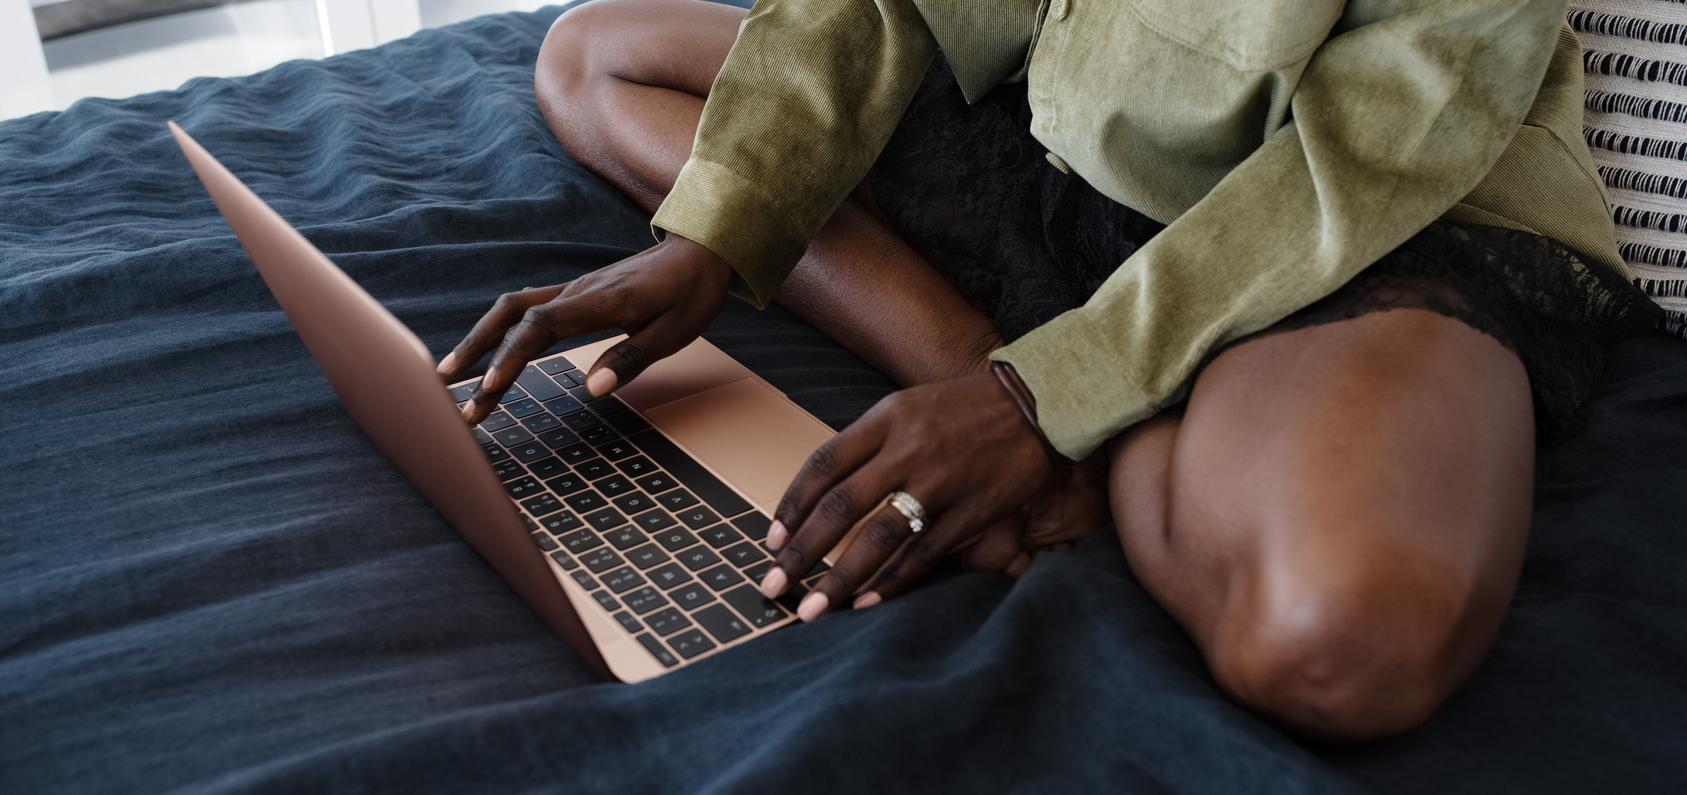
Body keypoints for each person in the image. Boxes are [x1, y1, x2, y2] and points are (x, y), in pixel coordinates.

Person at [436, 0, 1660, 739]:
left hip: (1362, 205)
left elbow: (1385, 145)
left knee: (1328, 646)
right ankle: (986, 364)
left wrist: (1050, 403)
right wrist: (710, 233)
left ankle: (1066, 418)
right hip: (1056, 149)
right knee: (592, 57)